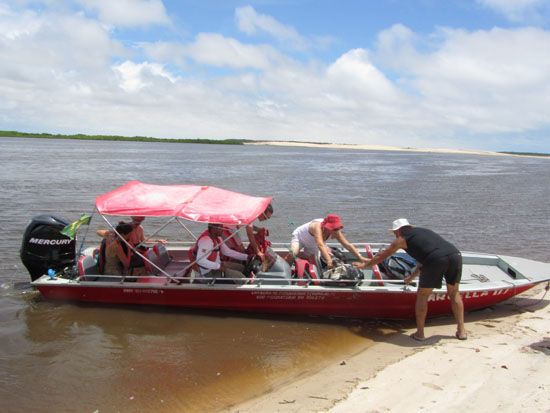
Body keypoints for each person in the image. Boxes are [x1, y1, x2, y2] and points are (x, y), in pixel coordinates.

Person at [355, 218, 466, 341]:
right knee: (454, 293)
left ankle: (420, 333)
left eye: (394, 233)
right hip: (455, 255)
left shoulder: (401, 240)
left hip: (436, 260)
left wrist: (365, 265)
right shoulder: (423, 232)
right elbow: (424, 258)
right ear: (409, 227)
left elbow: (382, 256)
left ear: (397, 231)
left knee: (423, 295)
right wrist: (412, 277)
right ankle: (461, 331)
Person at [289, 214, 367, 268]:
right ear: (326, 226)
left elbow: (348, 245)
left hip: (313, 243)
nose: (335, 231)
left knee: (315, 262)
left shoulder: (336, 230)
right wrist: (329, 260)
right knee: (293, 253)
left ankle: (302, 258)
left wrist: (361, 257)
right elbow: (320, 244)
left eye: (336, 228)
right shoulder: (317, 226)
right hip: (300, 237)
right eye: (333, 228)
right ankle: (287, 267)